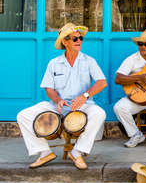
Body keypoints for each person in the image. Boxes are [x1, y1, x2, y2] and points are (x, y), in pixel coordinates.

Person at [17, 23, 107, 169]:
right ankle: (44, 152)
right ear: (65, 42)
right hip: (56, 105)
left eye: (81, 38)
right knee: (23, 115)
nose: (79, 41)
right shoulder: (54, 63)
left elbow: (102, 82)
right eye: (75, 39)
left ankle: (77, 152)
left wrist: (84, 96)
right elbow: (49, 88)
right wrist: (58, 100)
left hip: (83, 105)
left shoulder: (89, 61)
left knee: (100, 113)